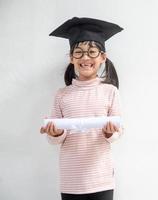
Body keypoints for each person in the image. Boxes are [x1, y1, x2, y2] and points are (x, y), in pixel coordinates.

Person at [40, 17, 124, 200]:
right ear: (71, 58)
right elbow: (55, 140)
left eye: (92, 52)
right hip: (71, 179)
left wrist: (110, 133)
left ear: (103, 57)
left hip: (101, 178)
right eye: (78, 52)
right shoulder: (61, 95)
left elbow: (118, 133)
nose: (85, 58)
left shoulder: (110, 91)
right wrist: (55, 134)